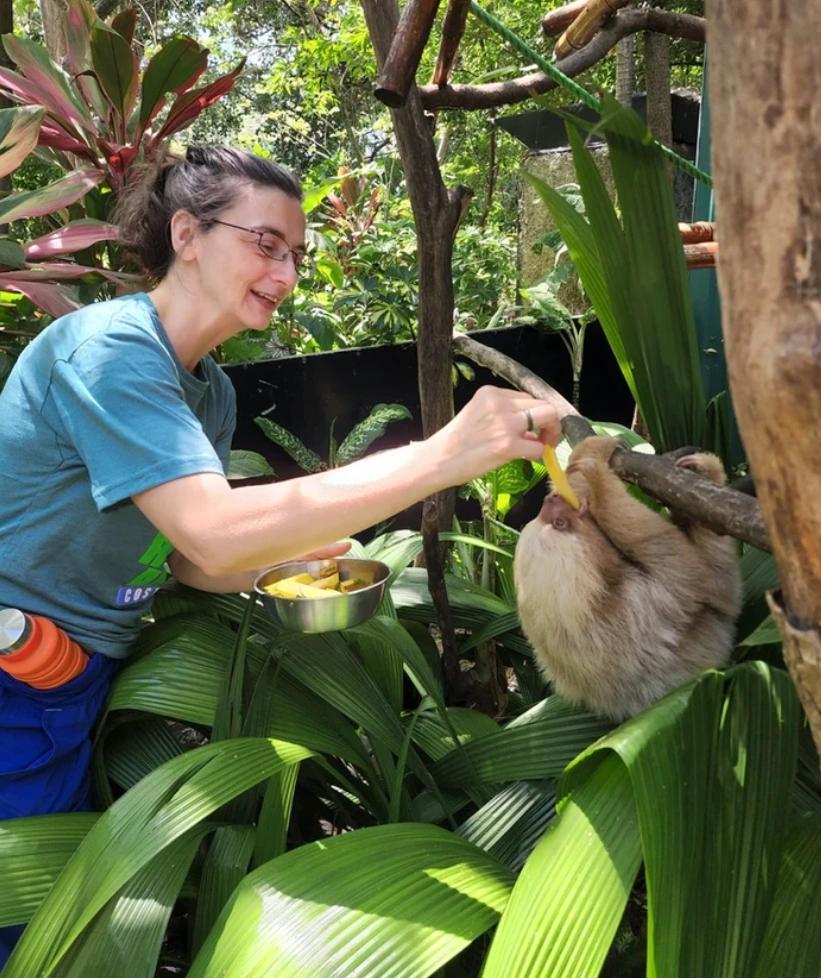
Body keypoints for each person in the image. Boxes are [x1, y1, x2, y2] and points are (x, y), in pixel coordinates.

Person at [0, 145, 559, 962]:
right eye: (265, 244)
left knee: (46, 909)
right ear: (186, 233)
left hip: (74, 675)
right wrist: (448, 453)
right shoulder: (112, 352)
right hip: (17, 670)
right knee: (22, 920)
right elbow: (212, 529)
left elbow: (190, 559)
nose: (287, 272)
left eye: (295, 253)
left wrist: (287, 564)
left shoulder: (207, 388)